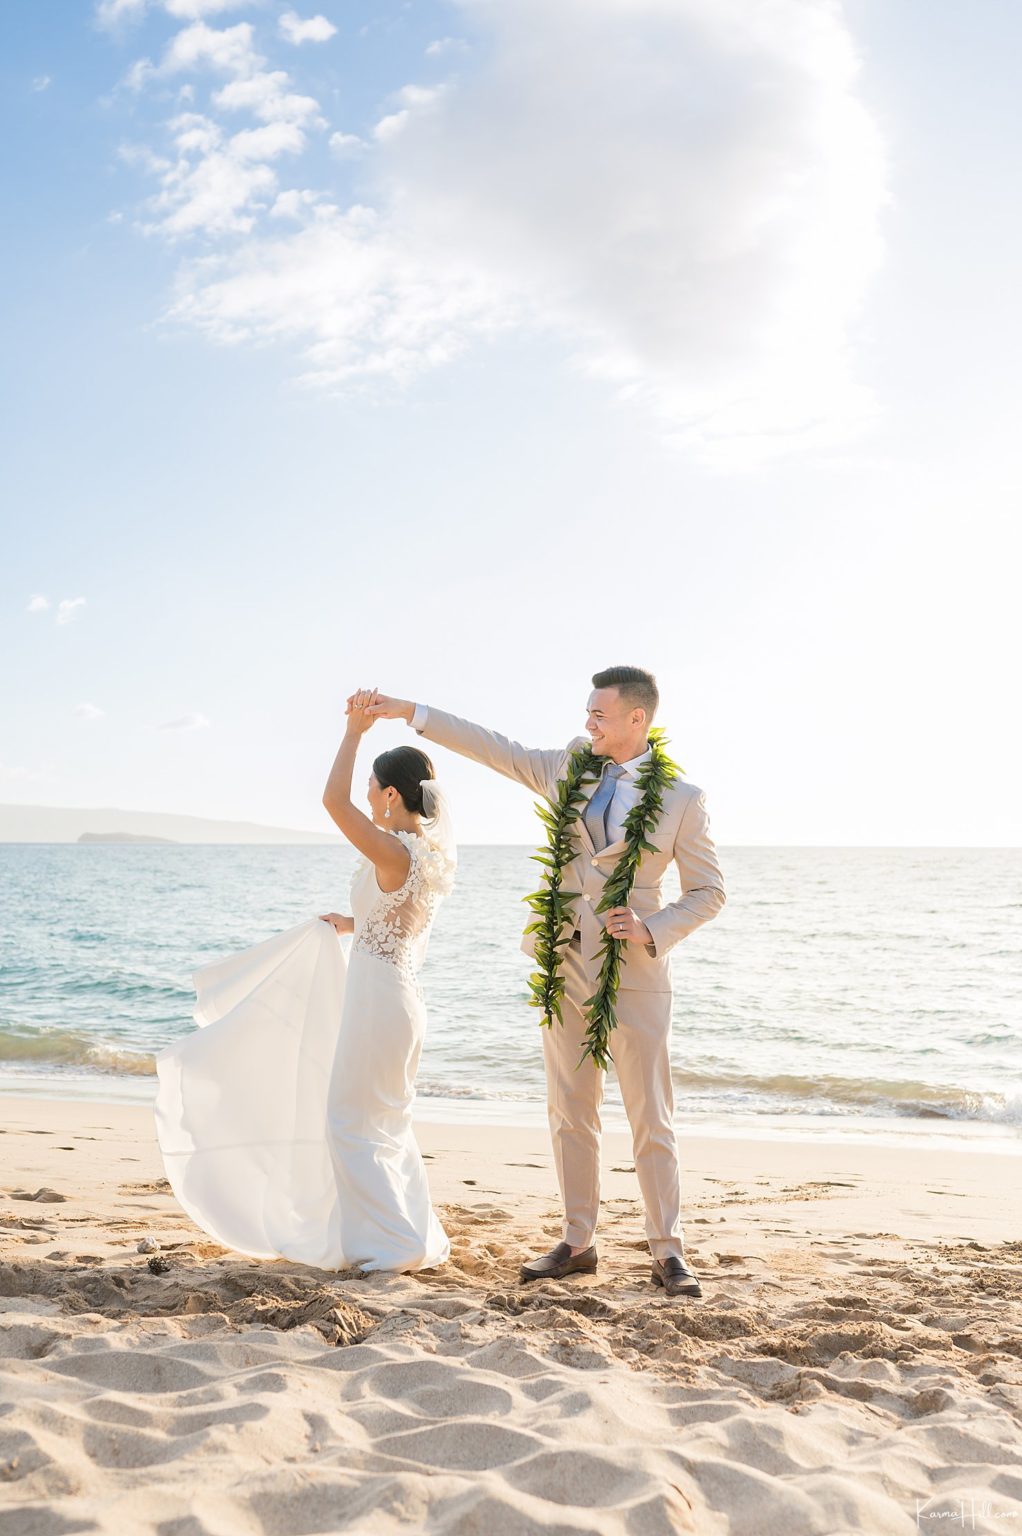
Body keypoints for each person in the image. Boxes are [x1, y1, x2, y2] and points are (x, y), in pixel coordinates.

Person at [361, 667, 725, 1298]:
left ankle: (668, 1249)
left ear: (638, 719)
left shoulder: (682, 801)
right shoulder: (567, 770)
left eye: (600, 714)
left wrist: (649, 927)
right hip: (564, 962)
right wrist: (410, 711)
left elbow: (710, 892)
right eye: (588, 712)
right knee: (570, 1109)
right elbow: (493, 747)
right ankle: (578, 1240)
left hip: (634, 969)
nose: (588, 723)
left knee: (650, 1113)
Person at [153, 688, 456, 1274]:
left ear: (391, 794)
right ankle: (408, 1233)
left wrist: (352, 733)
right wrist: (347, 923)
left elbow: (330, 800)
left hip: (377, 1000)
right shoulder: (426, 855)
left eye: (373, 786)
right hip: (400, 999)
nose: (367, 795)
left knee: (348, 1119)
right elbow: (398, 917)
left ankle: (394, 1246)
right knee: (384, 1119)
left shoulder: (393, 848)